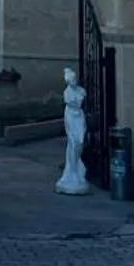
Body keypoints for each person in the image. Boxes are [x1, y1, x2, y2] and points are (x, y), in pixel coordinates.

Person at [55, 66, 90, 195]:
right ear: (68, 81)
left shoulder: (81, 91)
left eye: (75, 79)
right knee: (73, 143)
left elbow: (80, 102)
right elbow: (71, 105)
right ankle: (73, 171)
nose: (74, 81)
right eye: (71, 80)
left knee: (80, 142)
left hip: (79, 117)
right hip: (71, 117)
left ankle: (78, 168)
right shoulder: (67, 93)